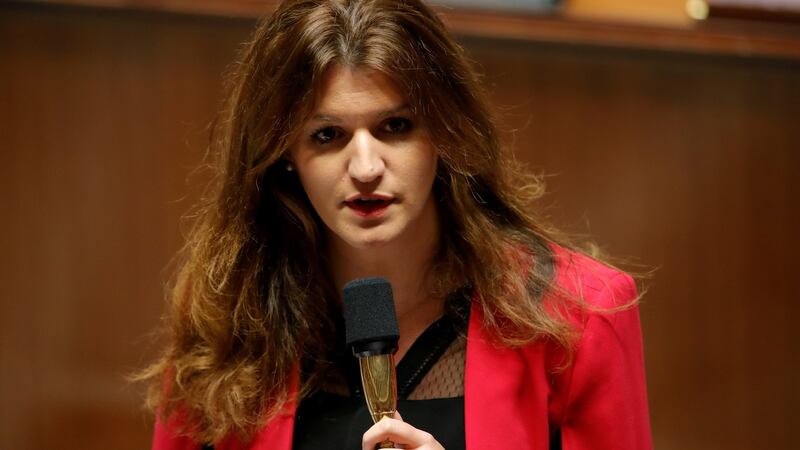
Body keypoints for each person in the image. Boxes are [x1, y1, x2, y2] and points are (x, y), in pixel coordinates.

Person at [140, 0, 652, 449]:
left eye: (395, 126)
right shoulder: (227, 318)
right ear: (285, 153)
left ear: (444, 133)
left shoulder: (579, 318)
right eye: (327, 135)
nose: (365, 168)